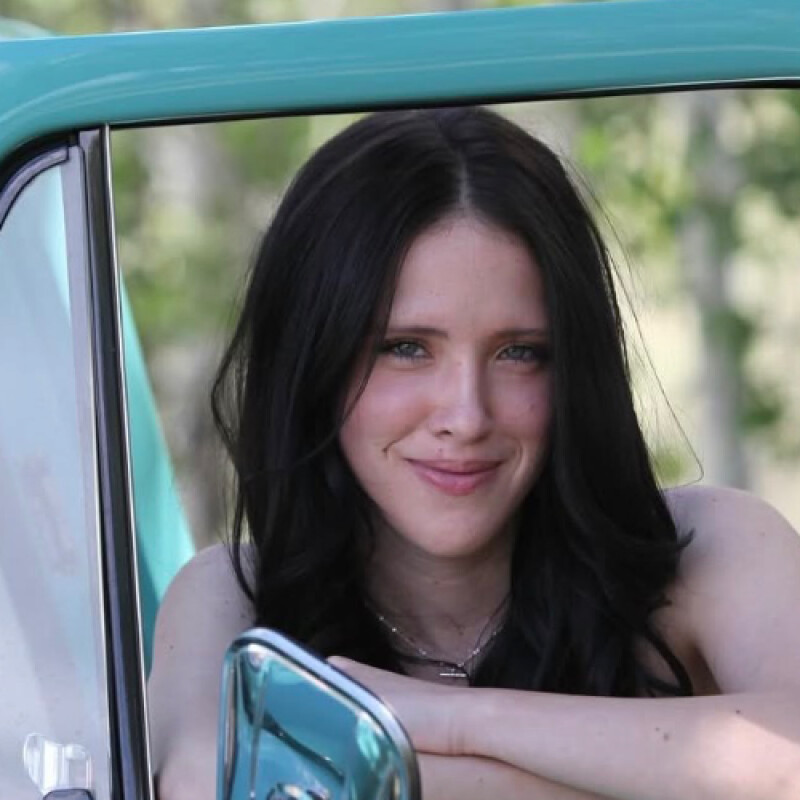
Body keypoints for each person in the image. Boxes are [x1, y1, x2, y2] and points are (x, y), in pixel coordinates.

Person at [148, 107, 800, 800]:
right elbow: (205, 784)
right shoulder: (234, 595)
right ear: (313, 363)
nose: (466, 416)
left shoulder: (711, 547)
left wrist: (451, 721)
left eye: (520, 353)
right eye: (406, 348)